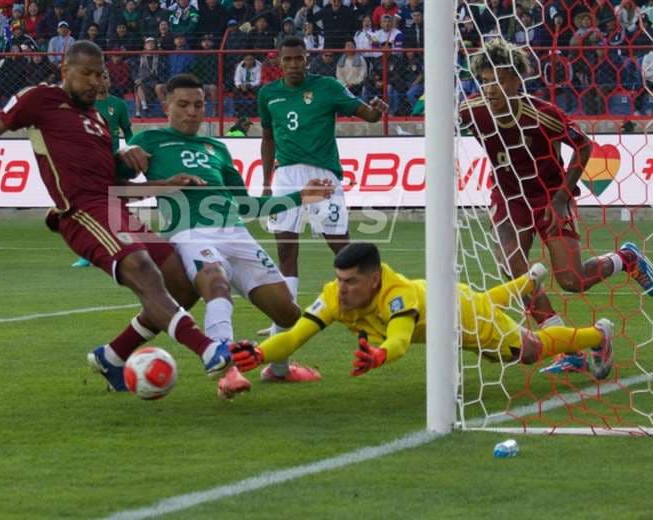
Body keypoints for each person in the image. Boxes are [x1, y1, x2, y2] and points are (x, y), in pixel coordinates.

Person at [0, 41, 235, 393]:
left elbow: (113, 186)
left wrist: (164, 184)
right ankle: (209, 349)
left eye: (98, 75)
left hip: (114, 209)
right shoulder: (39, 99)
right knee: (143, 269)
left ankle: (113, 356)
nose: (93, 82)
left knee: (180, 279)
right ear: (65, 71)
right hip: (80, 211)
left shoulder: (99, 121)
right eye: (85, 74)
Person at [126, 74, 330, 399]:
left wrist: (299, 196)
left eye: (198, 105)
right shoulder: (148, 141)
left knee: (289, 313)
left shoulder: (216, 148)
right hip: (190, 232)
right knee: (215, 282)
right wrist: (126, 156)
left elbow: (244, 203)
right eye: (183, 105)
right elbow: (120, 188)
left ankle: (278, 370)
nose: (192, 112)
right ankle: (226, 368)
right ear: (166, 105)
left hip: (236, 233)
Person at [460, 38, 653, 370]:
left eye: (500, 79)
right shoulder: (470, 111)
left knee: (571, 280)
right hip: (509, 198)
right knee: (512, 270)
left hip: (550, 196)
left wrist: (562, 198)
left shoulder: (544, 115)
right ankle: (569, 346)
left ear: (517, 79)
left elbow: (584, 147)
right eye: (486, 80)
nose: (491, 87)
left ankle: (627, 258)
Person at [231, 243, 615, 383]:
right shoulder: (335, 296)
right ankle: (527, 281)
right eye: (339, 279)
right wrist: (263, 353)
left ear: (376, 280)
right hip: (446, 298)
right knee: (489, 300)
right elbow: (295, 334)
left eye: (350, 282)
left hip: (460, 317)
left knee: (526, 353)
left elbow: (398, 339)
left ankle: (598, 335)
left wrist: (380, 354)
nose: (341, 289)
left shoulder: (397, 296)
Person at [256, 36, 387, 343]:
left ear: (307, 59)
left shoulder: (327, 87)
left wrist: (377, 110)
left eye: (298, 58)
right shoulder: (268, 94)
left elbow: (367, 114)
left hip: (323, 177)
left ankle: (372, 309)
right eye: (287, 59)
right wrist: (265, 183)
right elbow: (267, 138)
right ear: (278, 61)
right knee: (286, 250)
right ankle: (282, 327)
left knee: (341, 248)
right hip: (285, 177)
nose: (293, 65)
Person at [72, 69, 133, 268]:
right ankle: (88, 254)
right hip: (89, 162)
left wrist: (132, 151)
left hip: (112, 163)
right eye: (99, 77)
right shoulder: (83, 105)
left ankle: (121, 248)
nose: (102, 81)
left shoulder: (118, 105)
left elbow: (128, 132)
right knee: (91, 208)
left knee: (114, 208)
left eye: (105, 77)